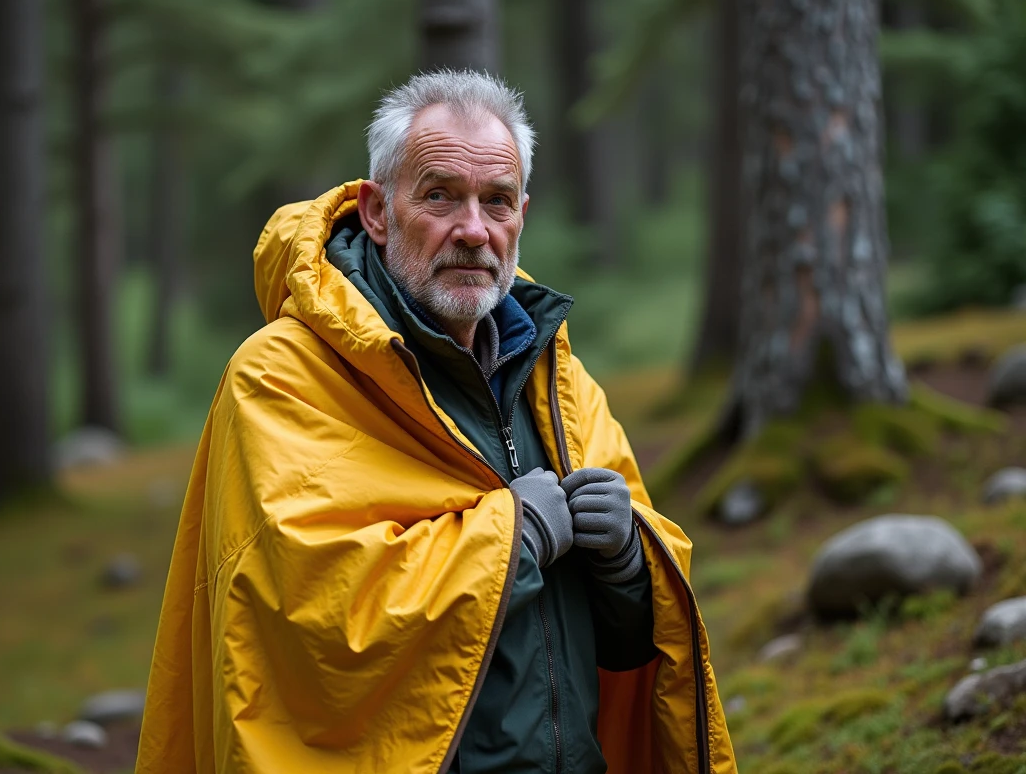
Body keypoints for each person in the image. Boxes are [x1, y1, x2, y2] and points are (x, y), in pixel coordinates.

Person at [137, 70, 735, 773]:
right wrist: (516, 536)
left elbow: (632, 647)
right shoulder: (281, 378)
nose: (474, 230)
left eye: (497, 202)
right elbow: (311, 628)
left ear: (522, 215)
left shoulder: (556, 379)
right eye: (441, 196)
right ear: (378, 210)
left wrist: (630, 561)